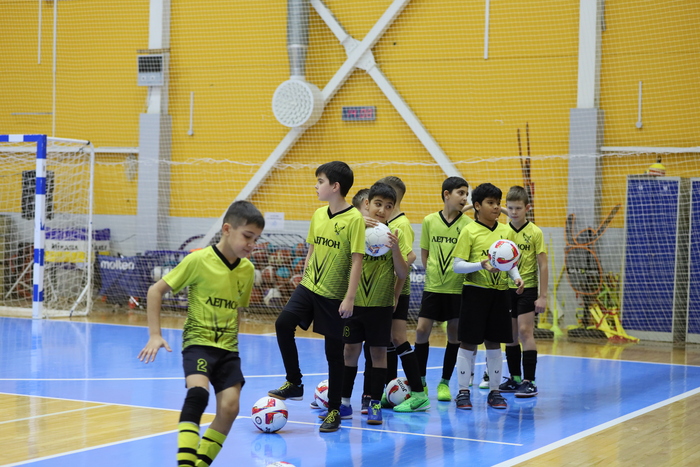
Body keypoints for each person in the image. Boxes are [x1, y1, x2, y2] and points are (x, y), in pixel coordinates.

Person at [137, 200, 265, 467]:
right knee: (198, 394)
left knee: (230, 408)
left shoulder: (247, 270)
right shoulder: (198, 260)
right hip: (199, 343)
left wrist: (234, 345)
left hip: (228, 349)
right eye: (247, 236)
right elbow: (155, 291)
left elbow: (237, 310)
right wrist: (155, 334)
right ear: (227, 229)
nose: (251, 244)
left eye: (256, 239)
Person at [267, 161, 365, 433]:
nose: (316, 186)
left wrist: (349, 298)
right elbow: (312, 248)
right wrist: (304, 274)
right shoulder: (319, 214)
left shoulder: (354, 220)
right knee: (283, 323)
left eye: (320, 181)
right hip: (309, 287)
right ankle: (294, 382)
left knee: (334, 353)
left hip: (334, 296)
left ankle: (333, 410)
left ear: (335, 187)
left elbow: (357, 260)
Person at [338, 182, 409, 425]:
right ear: (367, 204)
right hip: (354, 304)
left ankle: (375, 404)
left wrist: (395, 248)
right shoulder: (355, 228)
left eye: (388, 206)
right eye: (378, 204)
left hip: (380, 306)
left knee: (378, 353)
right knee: (350, 351)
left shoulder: (394, 234)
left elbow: (402, 273)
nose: (382, 210)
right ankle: (344, 403)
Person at [452, 183, 524, 410]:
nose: (496, 208)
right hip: (475, 293)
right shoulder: (469, 231)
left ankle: (495, 391)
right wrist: (480, 265)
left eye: (497, 203)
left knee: (494, 342)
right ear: (477, 206)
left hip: (500, 294)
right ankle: (463, 391)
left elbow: (509, 262)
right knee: (468, 341)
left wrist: (516, 277)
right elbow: (457, 266)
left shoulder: (506, 231)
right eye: (490, 203)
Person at [414, 177, 471, 403]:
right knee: (421, 330)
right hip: (433, 287)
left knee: (454, 334)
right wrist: (433, 272)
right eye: (460, 193)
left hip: (457, 288)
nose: (465, 198)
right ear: (447, 194)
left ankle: (445, 383)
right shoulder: (429, 220)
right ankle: (420, 380)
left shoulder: (467, 225)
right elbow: (425, 252)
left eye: (466, 194)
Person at [375, 175, 429, 413]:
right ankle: (390, 390)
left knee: (398, 338)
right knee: (389, 339)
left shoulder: (401, 224)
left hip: (398, 290)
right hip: (385, 290)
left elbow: (406, 260)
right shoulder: (386, 222)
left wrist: (396, 295)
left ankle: (418, 393)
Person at [498, 186, 548, 398]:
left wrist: (543, 296)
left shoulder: (535, 232)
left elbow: (543, 265)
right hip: (505, 288)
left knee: (525, 331)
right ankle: (515, 378)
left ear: (527, 208)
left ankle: (530, 381)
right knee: (510, 335)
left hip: (527, 289)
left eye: (518, 208)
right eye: (510, 208)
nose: (514, 212)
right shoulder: (503, 231)